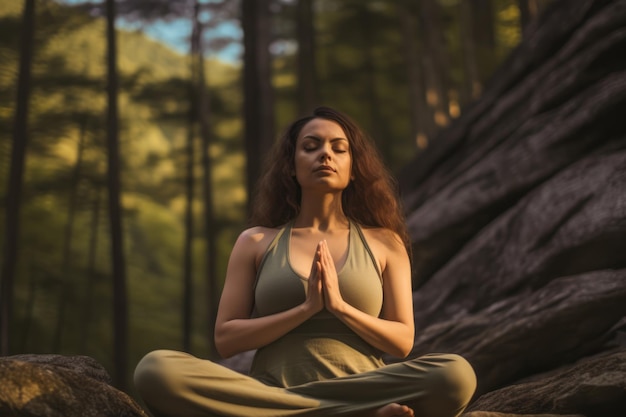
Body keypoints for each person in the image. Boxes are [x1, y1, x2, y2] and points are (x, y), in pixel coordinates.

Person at [134, 107, 476, 417]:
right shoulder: (255, 242)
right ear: (292, 166)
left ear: (354, 169)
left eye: (338, 148)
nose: (325, 154)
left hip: (362, 388)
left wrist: (340, 307)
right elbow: (226, 338)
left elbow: (402, 341)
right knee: (156, 370)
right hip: (271, 391)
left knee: (455, 375)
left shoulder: (384, 242)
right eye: (311, 146)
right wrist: (305, 309)